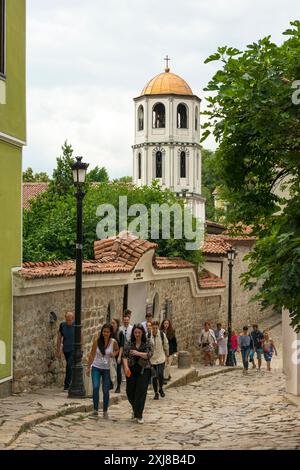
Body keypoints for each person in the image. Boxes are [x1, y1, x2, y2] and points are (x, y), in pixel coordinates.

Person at [86, 323, 119, 419]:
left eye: (107, 332)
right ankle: (95, 410)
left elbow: (117, 350)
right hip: (96, 367)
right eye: (104, 331)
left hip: (107, 369)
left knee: (105, 390)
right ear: (102, 332)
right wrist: (88, 367)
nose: (105, 333)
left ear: (110, 333)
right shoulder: (97, 341)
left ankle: (105, 411)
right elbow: (92, 354)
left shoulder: (113, 342)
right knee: (95, 387)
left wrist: (114, 354)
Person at [123, 324, 153, 424]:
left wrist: (137, 353)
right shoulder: (129, 343)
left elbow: (149, 354)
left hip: (144, 370)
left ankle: (139, 414)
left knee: (141, 392)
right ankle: (135, 409)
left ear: (142, 333)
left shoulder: (147, 342)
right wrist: (126, 367)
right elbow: (124, 356)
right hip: (131, 369)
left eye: (139, 332)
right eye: (135, 332)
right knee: (130, 392)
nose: (137, 334)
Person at [149, 321, 169, 399]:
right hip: (152, 359)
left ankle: (160, 388)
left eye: (156, 328)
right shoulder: (148, 335)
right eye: (153, 328)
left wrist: (167, 355)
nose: (155, 329)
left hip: (161, 358)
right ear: (151, 327)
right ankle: (156, 393)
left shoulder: (161, 334)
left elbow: (166, 344)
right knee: (154, 376)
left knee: (160, 374)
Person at [56, 312, 75, 392]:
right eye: (67, 320)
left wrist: (81, 348)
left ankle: (66, 385)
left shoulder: (76, 325)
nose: (68, 322)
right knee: (70, 367)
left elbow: (81, 336)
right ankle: (72, 382)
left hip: (74, 349)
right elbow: (59, 338)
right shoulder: (62, 325)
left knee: (69, 366)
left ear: (72, 319)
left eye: (69, 320)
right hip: (66, 349)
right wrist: (58, 349)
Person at [111, 318, 124, 393]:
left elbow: (121, 346)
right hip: (111, 353)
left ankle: (118, 386)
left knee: (118, 370)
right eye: (111, 323)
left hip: (119, 354)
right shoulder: (110, 332)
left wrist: (119, 356)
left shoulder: (120, 333)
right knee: (110, 369)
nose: (112, 324)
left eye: (113, 323)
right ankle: (111, 383)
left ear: (117, 324)